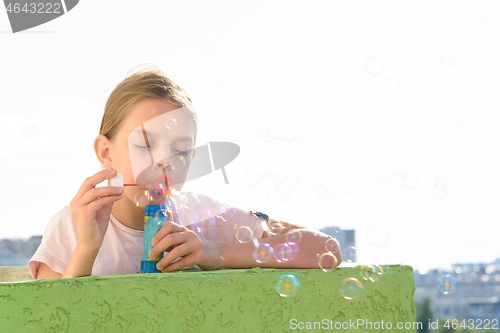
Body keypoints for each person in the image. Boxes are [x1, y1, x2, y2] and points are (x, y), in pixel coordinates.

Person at [29, 64, 342, 279]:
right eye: (146, 145)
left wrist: (215, 252)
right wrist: (86, 250)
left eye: (179, 151)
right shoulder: (70, 226)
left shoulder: (200, 217)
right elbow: (48, 320)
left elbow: (325, 249)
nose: (165, 161)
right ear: (105, 152)